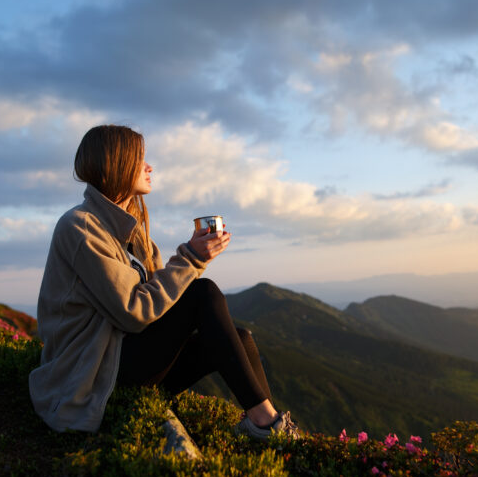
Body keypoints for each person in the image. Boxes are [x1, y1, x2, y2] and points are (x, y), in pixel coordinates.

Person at [29, 124, 299, 441]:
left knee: (239, 338)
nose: (149, 167)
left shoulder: (135, 231)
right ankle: (268, 426)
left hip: (123, 360)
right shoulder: (79, 227)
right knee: (204, 293)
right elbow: (133, 310)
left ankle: (266, 427)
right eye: (140, 159)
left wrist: (191, 254)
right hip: (90, 374)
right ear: (117, 162)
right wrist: (192, 260)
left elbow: (161, 301)